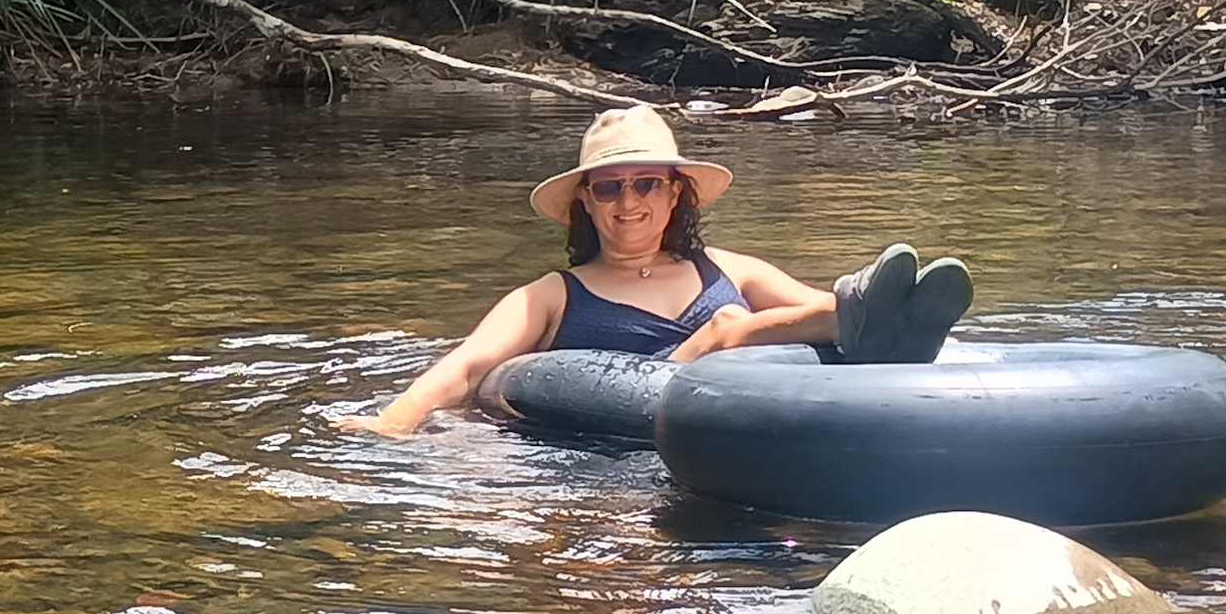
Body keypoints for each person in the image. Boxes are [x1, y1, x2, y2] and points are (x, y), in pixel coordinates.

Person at [336, 105, 965, 435]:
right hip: (631, 422)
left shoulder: (728, 268)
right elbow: (469, 366)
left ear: (674, 193)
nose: (628, 202)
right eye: (609, 188)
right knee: (726, 323)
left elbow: (813, 314)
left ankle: (895, 321)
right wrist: (395, 421)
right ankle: (859, 315)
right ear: (585, 203)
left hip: (743, 425)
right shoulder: (550, 296)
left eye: (645, 183)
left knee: (799, 313)